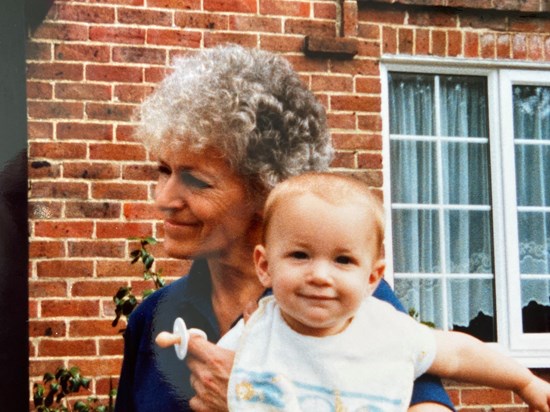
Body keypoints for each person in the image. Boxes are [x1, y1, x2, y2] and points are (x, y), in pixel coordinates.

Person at [114, 44, 454, 411]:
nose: (164, 199)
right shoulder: (153, 317)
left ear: (265, 189)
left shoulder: (341, 301)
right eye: (164, 171)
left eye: (196, 182)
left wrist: (256, 401)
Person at [227, 172, 550, 411]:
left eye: (343, 260)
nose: (320, 276)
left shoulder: (389, 332)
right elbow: (200, 372)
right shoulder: (254, 333)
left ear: (372, 278)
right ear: (265, 266)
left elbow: (458, 354)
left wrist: (524, 381)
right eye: (300, 255)